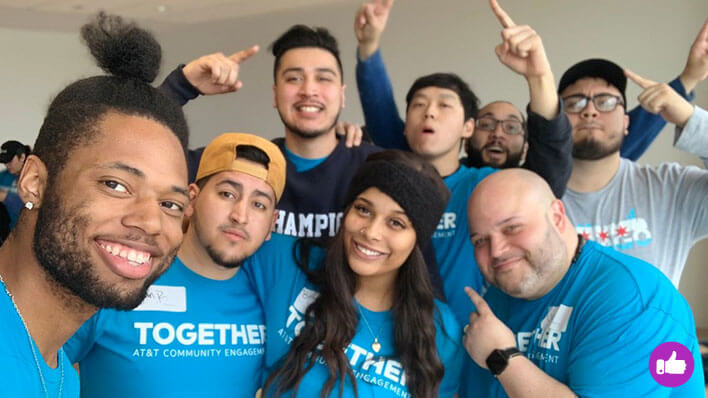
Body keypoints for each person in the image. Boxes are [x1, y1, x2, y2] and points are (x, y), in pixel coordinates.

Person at [0, 13, 190, 397]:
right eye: (116, 184)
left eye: (171, 203)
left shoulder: (62, 376)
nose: (152, 222)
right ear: (34, 182)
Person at [354, 0, 571, 329]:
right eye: (419, 105)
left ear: (468, 128)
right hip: (391, 340)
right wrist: (368, 49)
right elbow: (380, 113)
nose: (429, 112)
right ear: (405, 125)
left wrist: (539, 78)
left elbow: (549, 170)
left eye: (444, 106)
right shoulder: (386, 187)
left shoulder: (485, 186)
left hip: (473, 342)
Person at [64, 133, 285, 397]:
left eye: (258, 204)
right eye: (227, 194)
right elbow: (32, 363)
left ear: (272, 223)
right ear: (191, 199)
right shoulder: (123, 273)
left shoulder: (268, 300)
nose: (240, 215)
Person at [463, 168, 704, 397]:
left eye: (512, 228)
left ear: (557, 217)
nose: (496, 251)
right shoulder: (495, 302)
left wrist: (502, 357)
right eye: (480, 241)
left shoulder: (632, 298)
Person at [246, 150, 463, 397]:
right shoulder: (287, 260)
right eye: (363, 210)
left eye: (396, 223)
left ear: (417, 240)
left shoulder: (440, 330)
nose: (371, 232)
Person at [159, 25, 379, 239]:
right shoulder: (240, 163)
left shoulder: (376, 168)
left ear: (342, 95)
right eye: (294, 78)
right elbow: (147, 159)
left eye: (323, 78)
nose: (309, 90)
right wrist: (181, 86)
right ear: (275, 95)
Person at [558, 54, 708, 287]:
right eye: (574, 103)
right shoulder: (532, 197)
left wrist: (689, 118)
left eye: (606, 101)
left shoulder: (673, 188)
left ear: (627, 122)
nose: (589, 111)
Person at [0, 140, 31, 229]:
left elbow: (31, 207)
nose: (7, 165)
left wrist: (7, 198)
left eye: (9, 161)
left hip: (29, 233)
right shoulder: (4, 176)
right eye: (4, 161)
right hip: (10, 234)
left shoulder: (34, 180)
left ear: (22, 157)